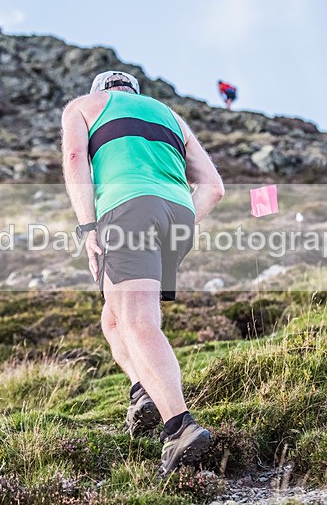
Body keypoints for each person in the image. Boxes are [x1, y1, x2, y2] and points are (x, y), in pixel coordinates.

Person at [62, 71, 225, 476]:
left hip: (127, 208)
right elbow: (213, 187)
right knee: (114, 320)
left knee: (137, 320)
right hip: (178, 213)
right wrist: (177, 223)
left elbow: (75, 159)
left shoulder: (83, 106)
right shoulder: (169, 115)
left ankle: (180, 426)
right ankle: (143, 390)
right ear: (134, 93)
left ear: (100, 91)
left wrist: (87, 228)